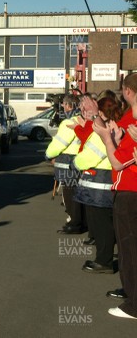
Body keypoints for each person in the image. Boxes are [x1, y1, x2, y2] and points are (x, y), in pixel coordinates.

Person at [93, 72, 137, 320]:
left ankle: (134, 304)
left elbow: (119, 162)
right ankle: (131, 292)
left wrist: (107, 138)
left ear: (127, 91)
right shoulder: (130, 118)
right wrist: (118, 139)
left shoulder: (133, 118)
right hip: (128, 189)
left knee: (129, 248)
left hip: (130, 191)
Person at [72, 96, 123, 274]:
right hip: (100, 187)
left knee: (102, 226)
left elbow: (88, 157)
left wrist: (75, 163)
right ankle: (105, 258)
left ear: (100, 112)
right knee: (105, 225)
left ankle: (104, 261)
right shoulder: (111, 128)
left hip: (99, 189)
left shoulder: (103, 131)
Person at [46, 96, 85, 234]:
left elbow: (59, 143)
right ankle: (80, 221)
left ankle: (74, 223)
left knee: (70, 194)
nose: (62, 107)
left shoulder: (69, 122)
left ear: (68, 106)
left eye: (63, 105)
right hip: (79, 161)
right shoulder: (81, 120)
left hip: (68, 163)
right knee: (78, 192)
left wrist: (48, 154)